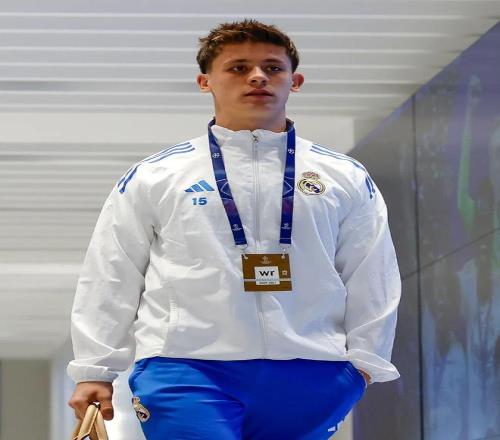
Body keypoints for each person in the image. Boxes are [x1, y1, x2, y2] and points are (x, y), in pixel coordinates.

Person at [67, 19, 401, 439]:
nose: (258, 77)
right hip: (186, 369)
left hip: (314, 371)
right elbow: (111, 271)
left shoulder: (344, 176)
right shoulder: (156, 175)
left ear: (295, 81)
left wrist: (365, 364)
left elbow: (372, 270)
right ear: (205, 81)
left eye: (273, 68)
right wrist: (94, 368)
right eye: (238, 68)